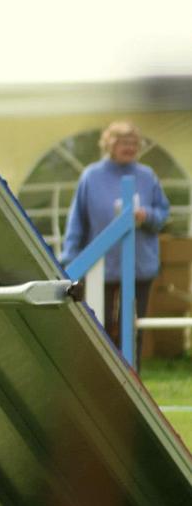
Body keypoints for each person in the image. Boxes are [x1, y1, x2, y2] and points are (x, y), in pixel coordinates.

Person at [61, 120, 170, 361]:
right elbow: (77, 221)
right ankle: (105, 374)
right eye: (123, 142)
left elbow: (163, 214)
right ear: (109, 144)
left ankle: (132, 375)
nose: (129, 147)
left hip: (140, 266)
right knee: (102, 327)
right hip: (101, 267)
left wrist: (146, 215)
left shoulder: (147, 176)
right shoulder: (91, 176)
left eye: (134, 142)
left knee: (132, 329)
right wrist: (69, 263)